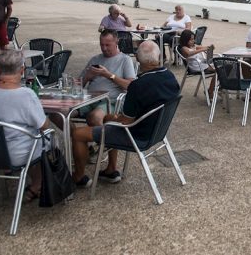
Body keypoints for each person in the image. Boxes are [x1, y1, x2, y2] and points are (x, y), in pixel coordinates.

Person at [71, 40, 180, 187]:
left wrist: (112, 119)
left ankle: (78, 178)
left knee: (78, 134)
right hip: (157, 132)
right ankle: (111, 169)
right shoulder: (169, 76)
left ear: (137, 58)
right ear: (159, 55)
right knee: (108, 118)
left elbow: (125, 122)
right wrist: (110, 117)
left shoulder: (138, 85)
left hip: (136, 135)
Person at [0, 49, 50, 201]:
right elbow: (44, 125)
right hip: (14, 154)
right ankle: (37, 185)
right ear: (22, 70)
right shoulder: (25, 95)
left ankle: (32, 184)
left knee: (33, 137)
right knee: (48, 136)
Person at [78, 29, 137, 126]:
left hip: (111, 101)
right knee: (59, 113)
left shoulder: (125, 60)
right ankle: (78, 137)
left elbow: (131, 86)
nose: (104, 48)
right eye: (102, 45)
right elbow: (77, 87)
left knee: (94, 117)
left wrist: (108, 75)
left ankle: (103, 139)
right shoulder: (95, 59)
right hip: (89, 99)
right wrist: (87, 77)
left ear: (116, 42)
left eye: (107, 45)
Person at [177, 29, 216, 99]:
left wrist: (210, 47)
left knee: (222, 69)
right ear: (185, 40)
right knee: (219, 71)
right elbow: (189, 53)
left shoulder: (194, 46)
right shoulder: (184, 48)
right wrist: (201, 50)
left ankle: (214, 89)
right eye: (191, 40)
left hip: (201, 64)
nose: (193, 41)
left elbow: (205, 47)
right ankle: (211, 90)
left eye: (193, 39)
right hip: (196, 67)